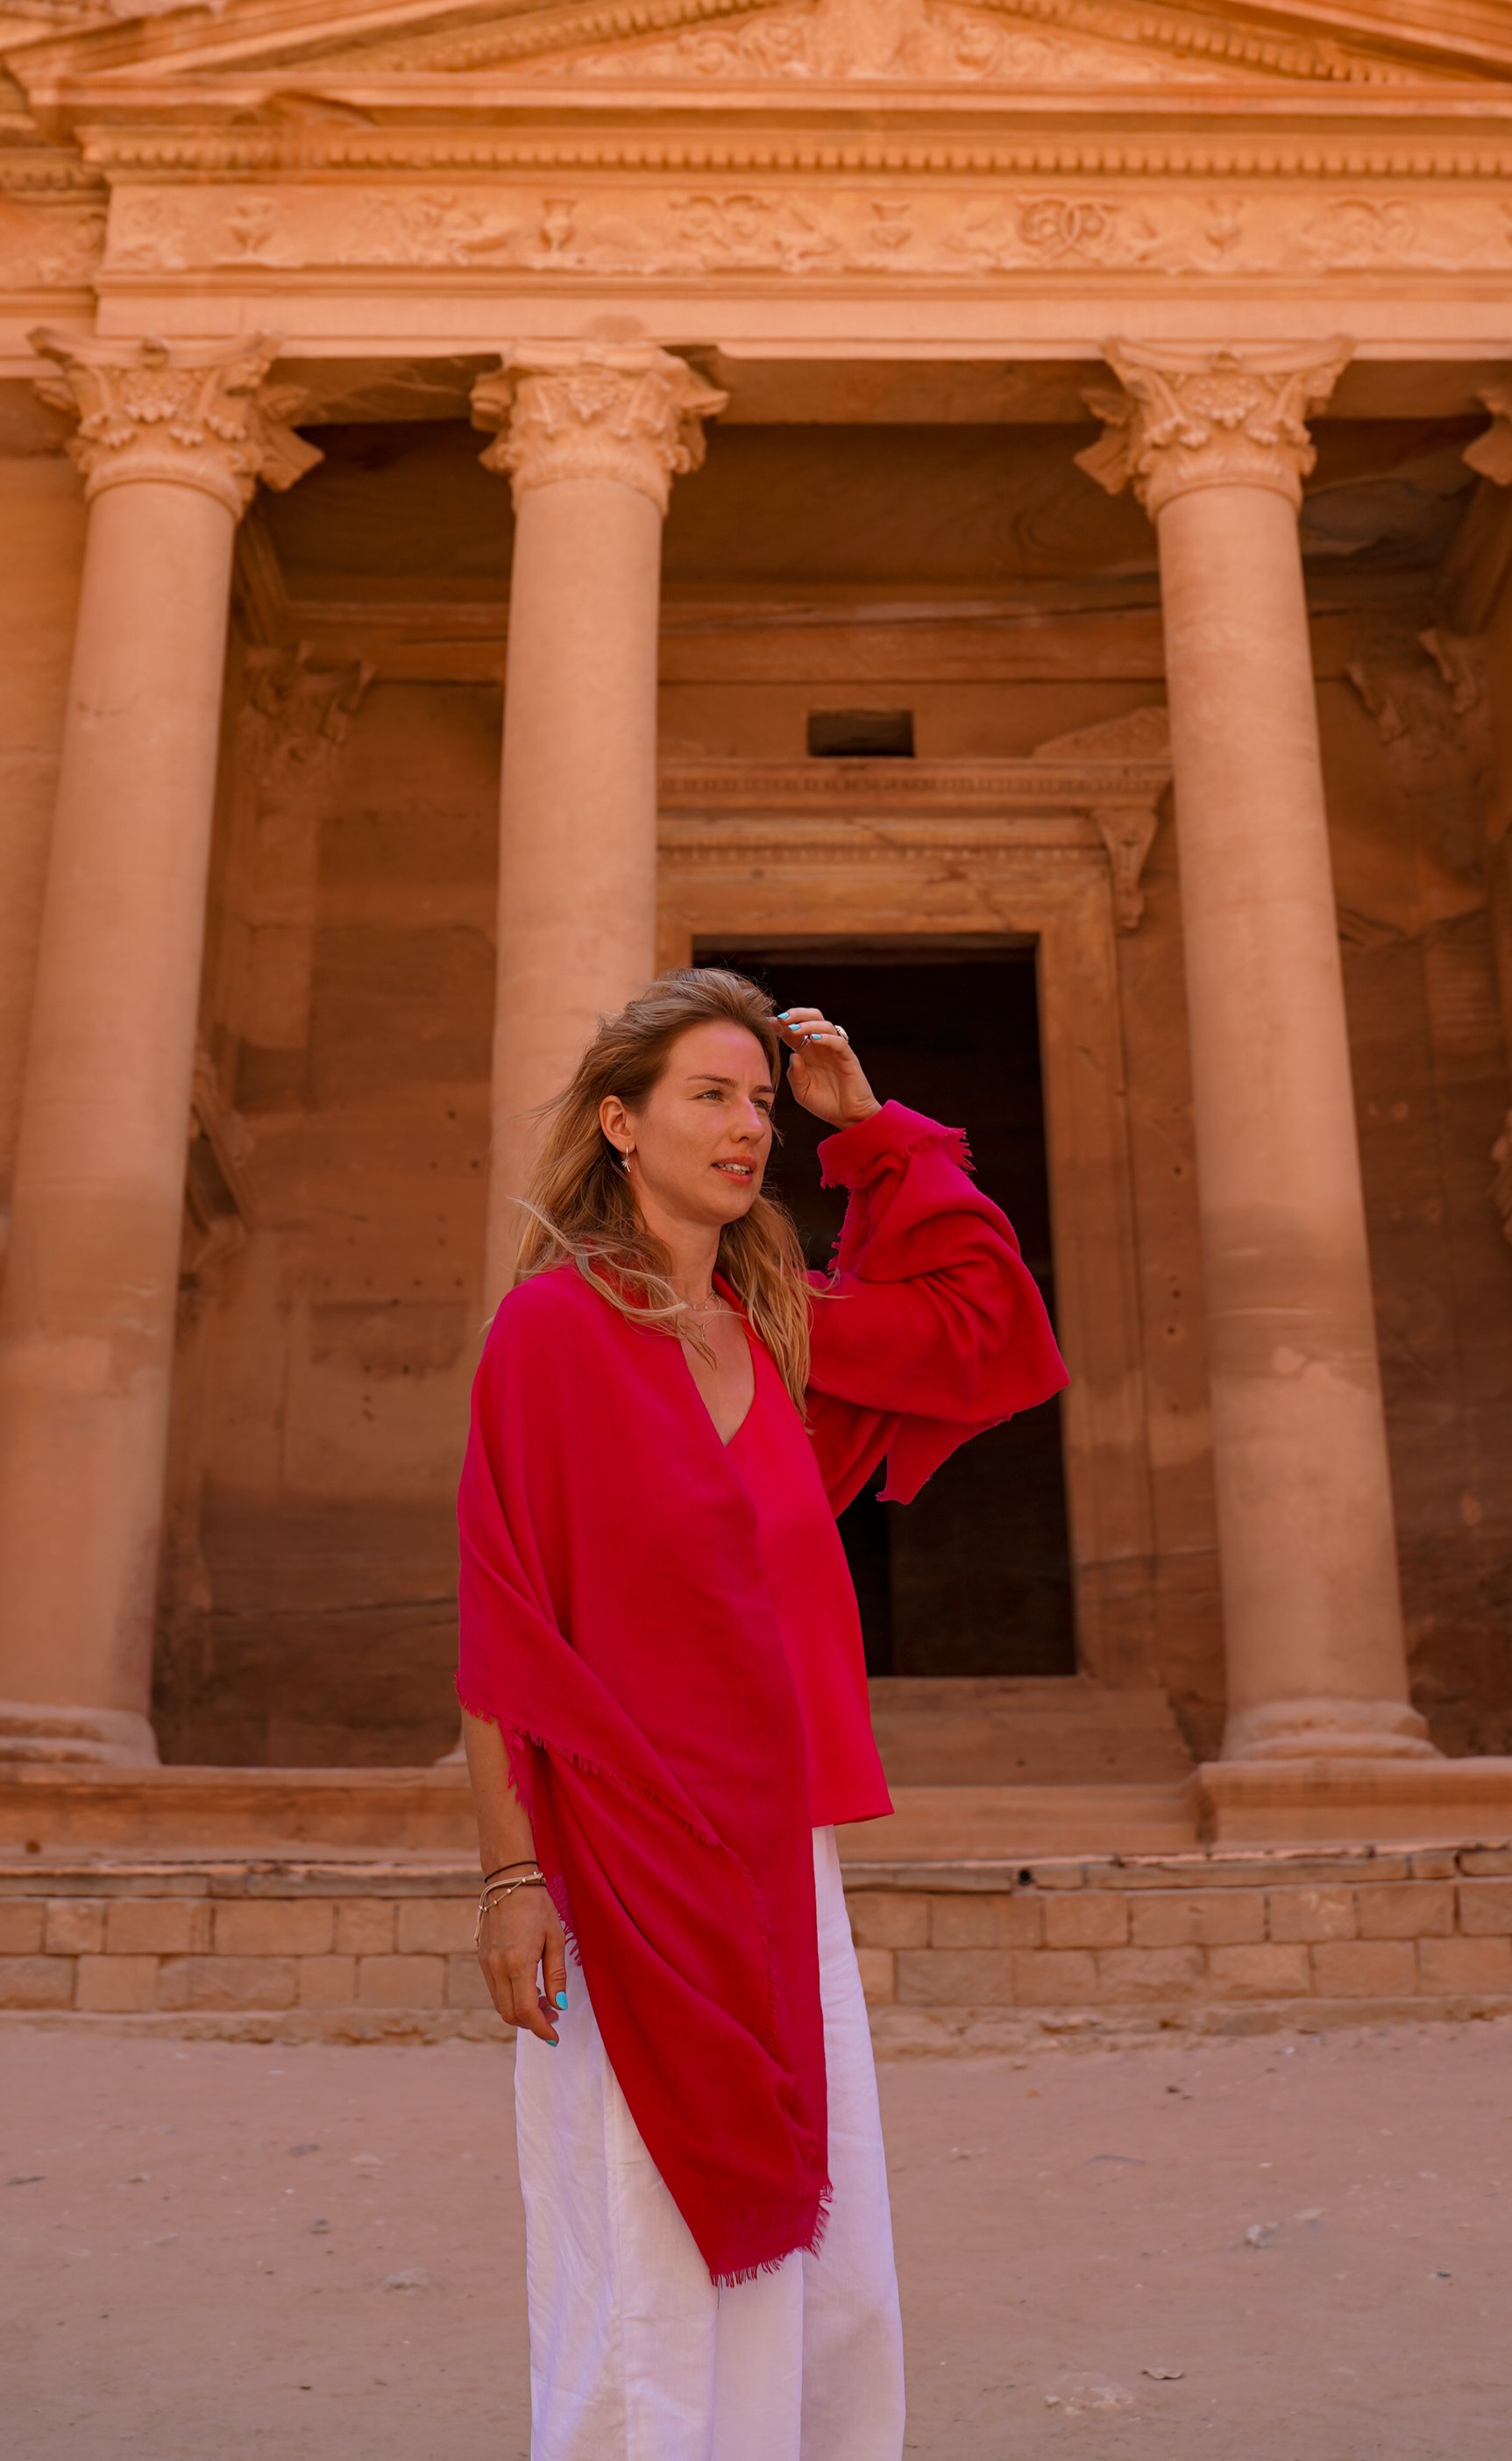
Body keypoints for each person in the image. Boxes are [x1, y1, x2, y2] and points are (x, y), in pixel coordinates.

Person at [457, 964, 1069, 2461]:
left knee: (824, 2236)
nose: (747, 1130)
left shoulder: (785, 1336)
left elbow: (989, 1330)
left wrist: (877, 1136)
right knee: (647, 2232)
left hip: (779, 1858)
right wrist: (509, 1874)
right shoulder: (551, 1331)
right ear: (620, 1122)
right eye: (708, 1099)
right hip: (619, 1854)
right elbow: (504, 1621)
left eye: (757, 1102)